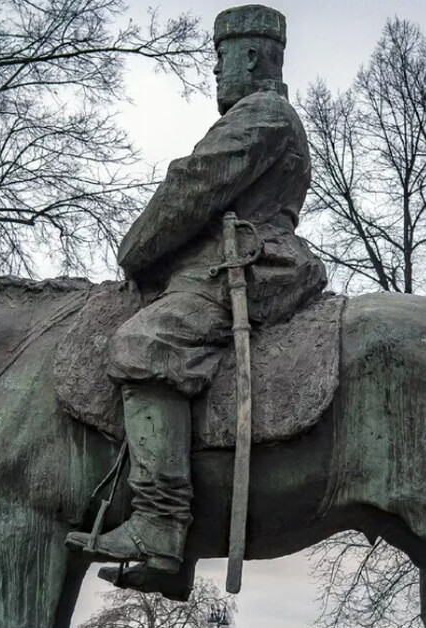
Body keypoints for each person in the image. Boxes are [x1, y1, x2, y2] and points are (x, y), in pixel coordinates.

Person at [65, 3, 325, 581]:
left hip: (249, 265)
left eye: (219, 60)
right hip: (233, 261)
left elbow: (193, 185)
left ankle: (159, 520)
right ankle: (176, 553)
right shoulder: (267, 116)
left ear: (251, 55)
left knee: (143, 343)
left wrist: (137, 252)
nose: (215, 73)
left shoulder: (263, 114)